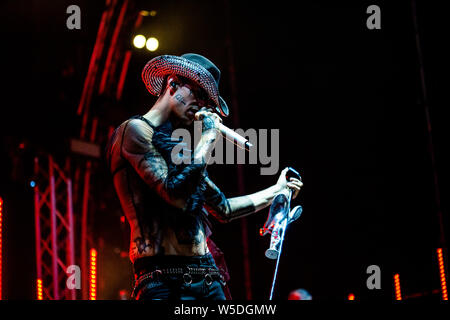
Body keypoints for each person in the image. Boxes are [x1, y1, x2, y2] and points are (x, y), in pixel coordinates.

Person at [106, 53, 303, 300]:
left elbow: (223, 208)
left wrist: (277, 190)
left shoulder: (181, 152)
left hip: (209, 277)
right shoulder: (133, 131)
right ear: (172, 83)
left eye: (207, 102)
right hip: (164, 282)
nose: (202, 106)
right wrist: (208, 138)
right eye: (198, 94)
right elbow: (174, 194)